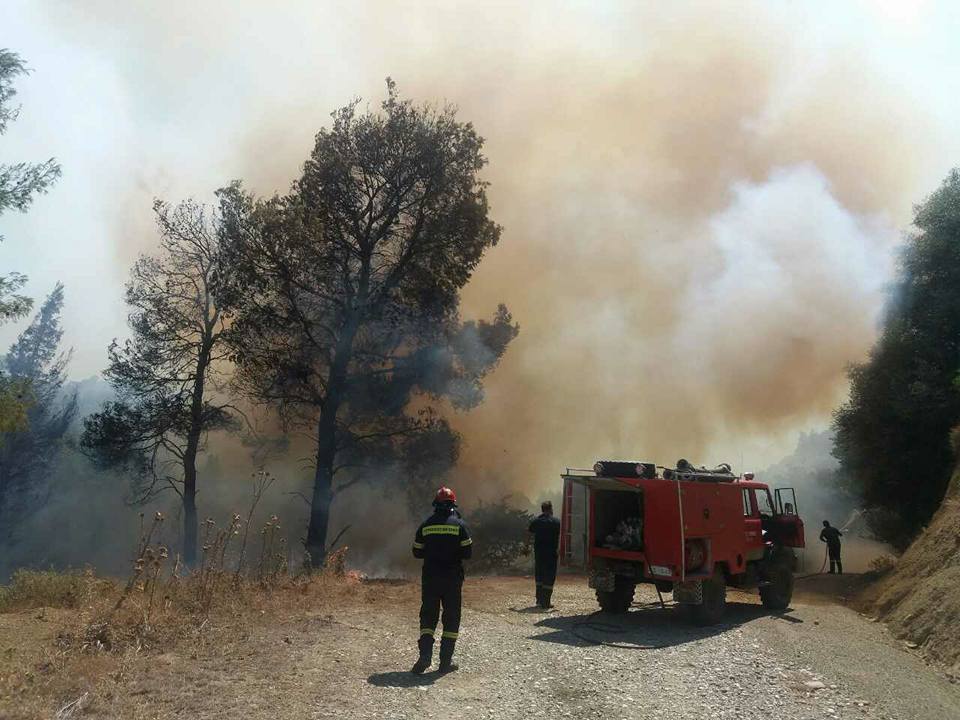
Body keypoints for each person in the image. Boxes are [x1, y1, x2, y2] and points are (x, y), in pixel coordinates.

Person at [410, 486, 472, 674]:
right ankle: (445, 663)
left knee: (428, 615)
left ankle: (425, 656)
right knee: (451, 618)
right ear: (453, 505)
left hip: (431, 577)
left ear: (435, 505)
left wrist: (433, 551)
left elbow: (416, 552)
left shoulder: (426, 525)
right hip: (452, 579)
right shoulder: (460, 526)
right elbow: (468, 553)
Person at [528, 500, 561, 609]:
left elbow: (529, 533)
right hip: (551, 554)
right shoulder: (556, 522)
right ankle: (546, 602)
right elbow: (562, 537)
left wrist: (526, 548)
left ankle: (539, 600)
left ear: (542, 509)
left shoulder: (536, 522)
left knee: (539, 576)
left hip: (539, 554)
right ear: (551, 509)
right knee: (549, 577)